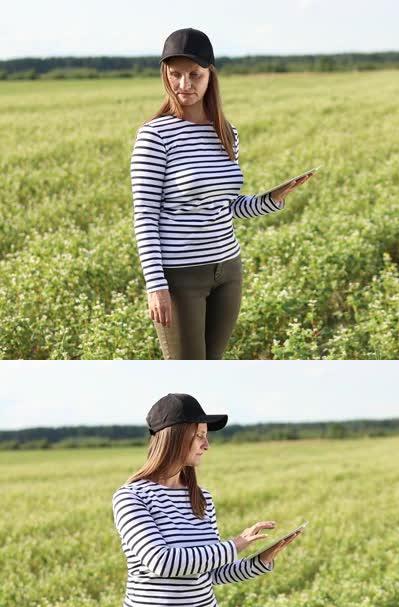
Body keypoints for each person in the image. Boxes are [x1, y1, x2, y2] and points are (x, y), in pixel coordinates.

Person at [112, 393, 300, 607]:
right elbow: (162, 562)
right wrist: (237, 543)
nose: (206, 444)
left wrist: (261, 561)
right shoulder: (131, 498)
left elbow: (210, 573)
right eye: (199, 435)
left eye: (206, 436)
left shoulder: (202, 498)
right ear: (174, 436)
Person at [130, 28, 312, 359]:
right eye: (175, 75)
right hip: (181, 275)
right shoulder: (154, 136)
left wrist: (273, 199)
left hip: (228, 269)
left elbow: (226, 206)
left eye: (194, 75)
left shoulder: (226, 134)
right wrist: (155, 286)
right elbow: (144, 215)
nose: (184, 84)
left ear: (210, 75)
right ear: (165, 76)